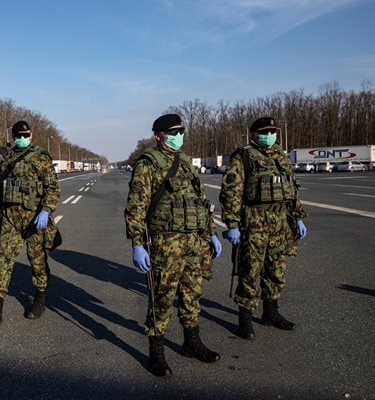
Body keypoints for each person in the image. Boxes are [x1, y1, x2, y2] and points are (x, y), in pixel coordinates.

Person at [124, 113, 222, 377]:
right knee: (162, 298)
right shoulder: (148, 164)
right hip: (166, 243)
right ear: (158, 136)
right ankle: (156, 352)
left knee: (192, 294)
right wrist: (137, 243)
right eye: (173, 132)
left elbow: (200, 201)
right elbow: (136, 208)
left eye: (181, 131)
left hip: (195, 241)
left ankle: (192, 342)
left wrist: (211, 232)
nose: (179, 136)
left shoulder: (187, 162)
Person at [220, 117, 307, 340]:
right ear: (254, 134)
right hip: (254, 223)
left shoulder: (281, 156)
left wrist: (298, 217)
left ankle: (271, 313)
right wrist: (232, 224)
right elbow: (232, 191)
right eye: (265, 131)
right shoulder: (244, 155)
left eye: (273, 131)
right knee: (250, 272)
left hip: (280, 224)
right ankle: (245, 320)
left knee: (276, 270)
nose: (270, 135)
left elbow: (292, 188)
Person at [0, 120, 60, 325]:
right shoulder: (6, 157)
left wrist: (47, 211)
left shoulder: (40, 157)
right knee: (3, 261)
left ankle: (40, 298)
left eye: (25, 135)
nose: (22, 139)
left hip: (33, 220)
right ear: (13, 137)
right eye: (18, 136)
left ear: (31, 135)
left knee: (37, 261)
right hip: (10, 219)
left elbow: (53, 188)